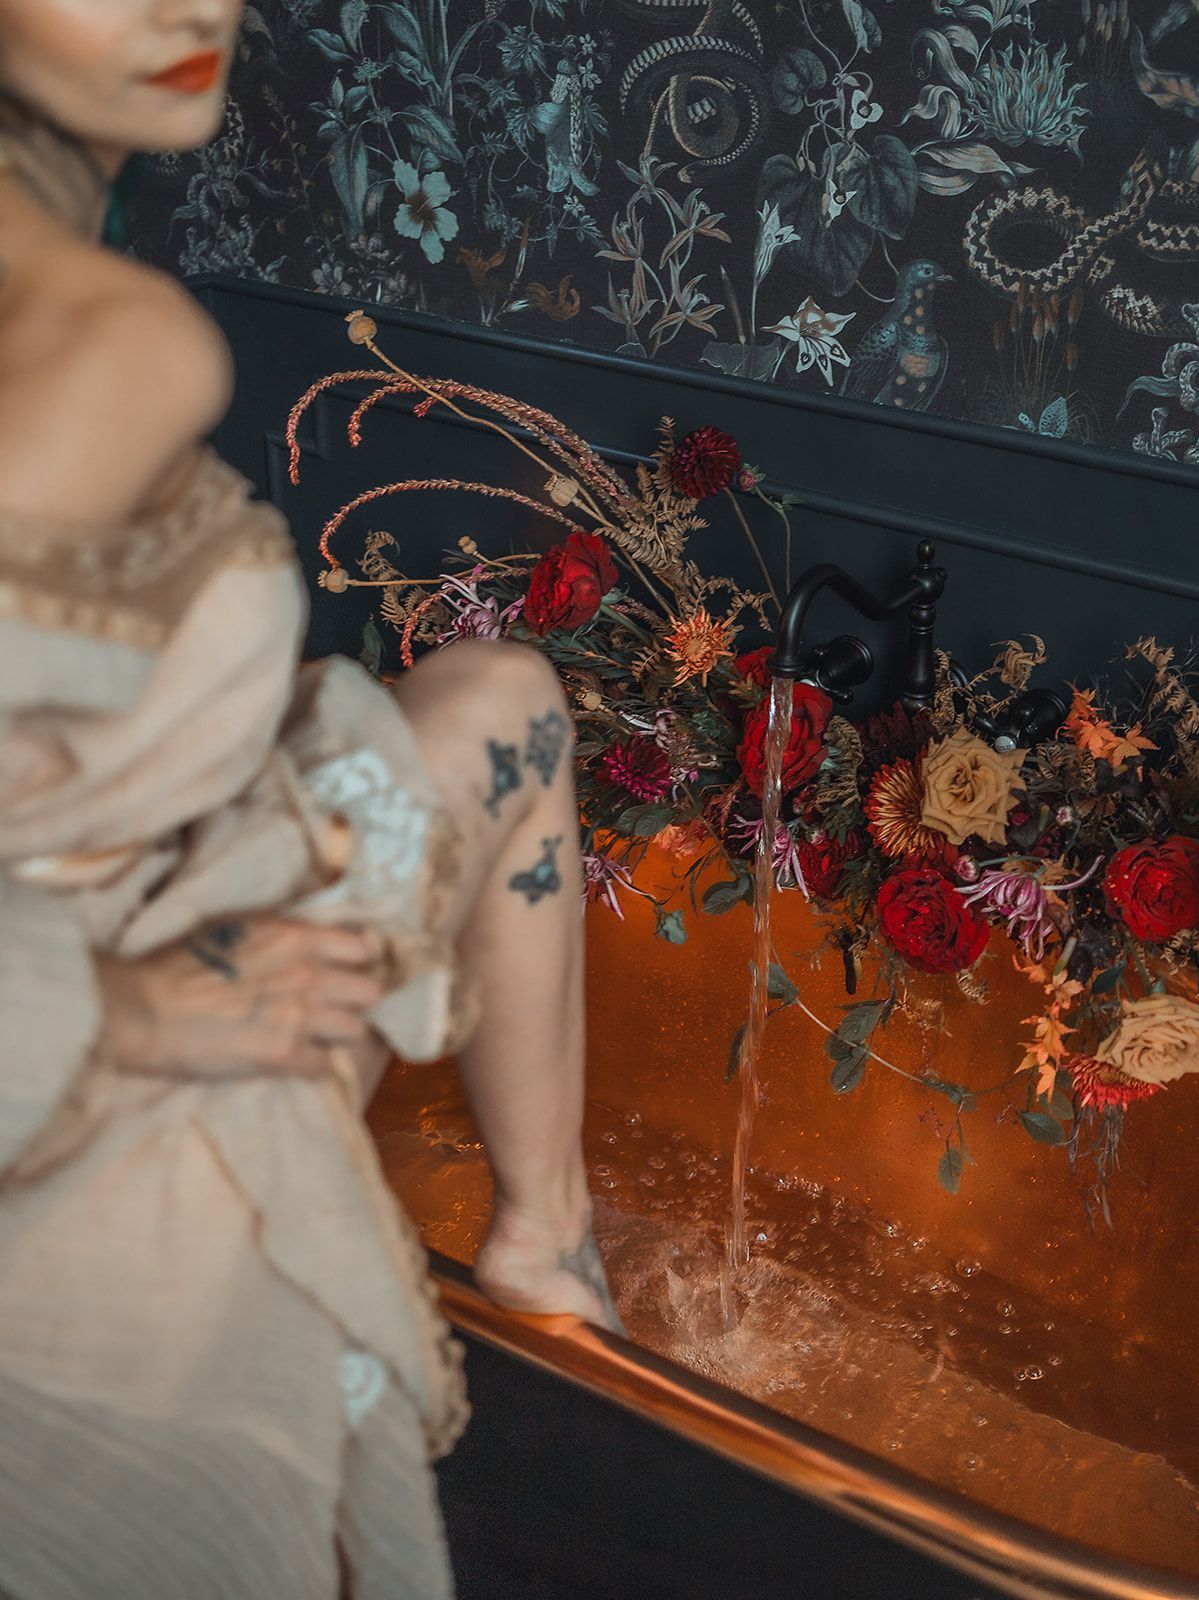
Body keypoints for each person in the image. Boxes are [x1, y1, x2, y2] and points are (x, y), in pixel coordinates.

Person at [0, 2, 618, 1595]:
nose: (191, 6)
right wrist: (118, 1006)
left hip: (153, 904)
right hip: (74, 1139)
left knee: (502, 705)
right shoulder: (106, 339)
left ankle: (550, 1250)